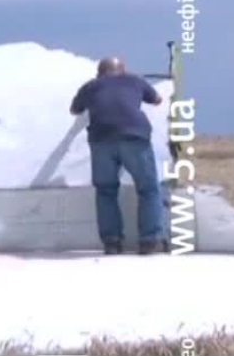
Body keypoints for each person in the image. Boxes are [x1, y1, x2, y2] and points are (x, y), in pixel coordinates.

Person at [70, 57, 166, 255]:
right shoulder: (135, 80)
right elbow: (157, 100)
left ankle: (112, 243)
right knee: (148, 189)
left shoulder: (91, 86)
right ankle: (150, 241)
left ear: (99, 73)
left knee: (106, 191)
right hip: (135, 137)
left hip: (101, 140)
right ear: (122, 70)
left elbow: (74, 110)